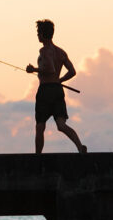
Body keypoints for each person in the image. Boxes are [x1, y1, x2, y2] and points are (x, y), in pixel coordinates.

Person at [26, 19, 87, 154]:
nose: (37, 35)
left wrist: (33, 69)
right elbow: (72, 72)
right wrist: (59, 81)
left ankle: (37, 156)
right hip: (57, 91)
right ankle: (79, 146)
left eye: (38, 33)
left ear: (42, 34)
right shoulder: (61, 52)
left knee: (40, 126)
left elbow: (50, 69)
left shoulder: (44, 51)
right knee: (61, 125)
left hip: (46, 91)